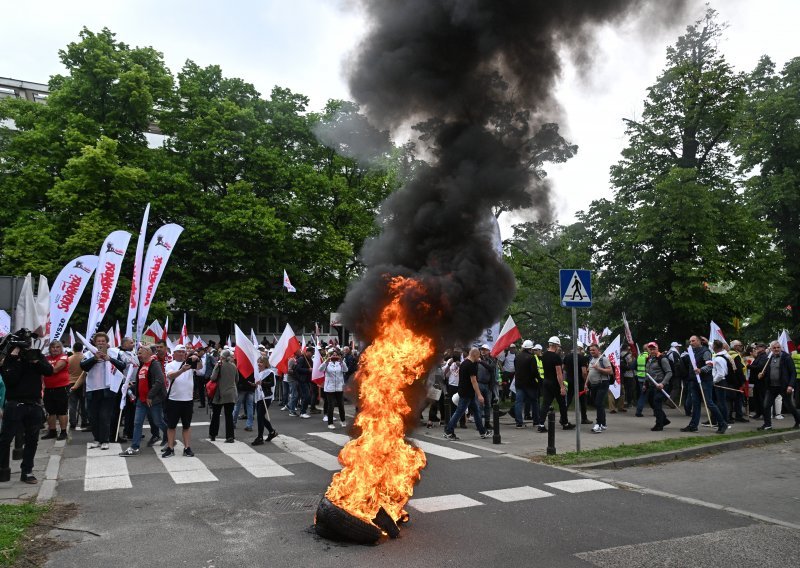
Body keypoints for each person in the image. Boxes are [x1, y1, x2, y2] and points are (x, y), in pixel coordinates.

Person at [0, 330, 54, 483]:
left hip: (34, 403)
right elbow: (11, 380)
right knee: (5, 439)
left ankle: (27, 471)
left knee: (32, 440)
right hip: (15, 404)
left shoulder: (35, 356)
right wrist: (14, 358)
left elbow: (49, 371)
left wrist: (35, 361)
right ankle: (2, 468)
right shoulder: (11, 359)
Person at [80, 332, 126, 450]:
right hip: (93, 389)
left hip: (108, 389)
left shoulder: (114, 353)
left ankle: (105, 440)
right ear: (95, 343)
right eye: (98, 341)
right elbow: (83, 366)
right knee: (93, 417)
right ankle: (97, 439)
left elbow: (122, 366)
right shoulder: (89, 353)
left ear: (107, 343)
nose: (101, 343)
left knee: (104, 416)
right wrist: (95, 359)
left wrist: (109, 359)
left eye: (103, 341)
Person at [119, 346, 167, 456]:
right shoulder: (142, 365)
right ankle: (134, 447)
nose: (138, 355)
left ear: (148, 353)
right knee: (137, 423)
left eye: (140, 353)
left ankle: (169, 436)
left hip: (152, 400)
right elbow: (142, 381)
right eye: (138, 353)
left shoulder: (154, 364)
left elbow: (160, 381)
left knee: (158, 421)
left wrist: (150, 396)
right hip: (141, 400)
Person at [680, 335, 728, 434]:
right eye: (690, 341)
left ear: (699, 341)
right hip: (694, 381)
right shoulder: (691, 352)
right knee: (696, 404)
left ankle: (722, 423)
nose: (691, 342)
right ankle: (693, 425)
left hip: (705, 381)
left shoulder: (705, 351)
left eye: (693, 341)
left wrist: (701, 370)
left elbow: (710, 365)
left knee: (709, 403)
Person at [162, 345, 204, 458]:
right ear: (174, 353)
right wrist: (182, 370)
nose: (181, 354)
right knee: (171, 426)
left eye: (183, 352)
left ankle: (187, 447)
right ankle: (170, 448)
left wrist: (198, 359)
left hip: (188, 400)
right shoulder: (170, 364)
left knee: (187, 425)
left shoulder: (190, 363)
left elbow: (200, 368)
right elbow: (170, 376)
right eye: (179, 352)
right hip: (174, 399)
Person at [442, 348, 492, 441]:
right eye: (478, 356)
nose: (479, 358)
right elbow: (474, 381)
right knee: (459, 412)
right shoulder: (471, 365)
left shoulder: (464, 363)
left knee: (476, 411)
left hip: (465, 391)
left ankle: (482, 431)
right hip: (467, 393)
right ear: (474, 355)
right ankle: (448, 431)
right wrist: (479, 395)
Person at [757, 341, 800, 430]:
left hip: (784, 386)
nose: (776, 349)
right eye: (774, 348)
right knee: (766, 405)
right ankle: (767, 425)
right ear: (771, 349)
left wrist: (790, 385)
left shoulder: (786, 358)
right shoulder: (769, 358)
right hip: (771, 386)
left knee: (789, 406)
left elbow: (793, 372)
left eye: (778, 347)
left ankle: (798, 421)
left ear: (780, 348)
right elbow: (767, 371)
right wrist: (762, 374)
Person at [537, 337, 575, 432]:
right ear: (556, 345)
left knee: (545, 404)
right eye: (558, 346)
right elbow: (559, 373)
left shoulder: (544, 355)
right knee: (562, 403)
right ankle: (565, 423)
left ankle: (541, 425)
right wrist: (562, 387)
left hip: (546, 381)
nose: (559, 347)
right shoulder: (556, 357)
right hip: (555, 383)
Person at [42, 340, 70, 440]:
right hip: (48, 389)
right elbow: (42, 373)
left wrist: (43, 367)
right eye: (53, 347)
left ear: (61, 348)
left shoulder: (63, 357)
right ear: (49, 349)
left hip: (61, 388)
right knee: (50, 412)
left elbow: (55, 369)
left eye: (58, 347)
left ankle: (63, 432)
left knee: (62, 411)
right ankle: (52, 431)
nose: (55, 349)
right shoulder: (46, 358)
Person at [209, 349, 237, 442]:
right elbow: (237, 380)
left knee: (216, 414)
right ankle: (230, 436)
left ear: (222, 357)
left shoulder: (219, 365)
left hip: (219, 393)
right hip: (231, 393)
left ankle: (213, 434)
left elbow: (213, 378)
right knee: (229, 415)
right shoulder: (234, 366)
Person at [644, 342, 673, 431]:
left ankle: (659, 424)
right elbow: (648, 373)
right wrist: (645, 384)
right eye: (650, 349)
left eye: (654, 349)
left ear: (657, 348)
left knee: (657, 403)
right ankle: (664, 420)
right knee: (652, 403)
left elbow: (669, 372)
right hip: (652, 385)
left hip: (661, 385)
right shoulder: (648, 359)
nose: (652, 351)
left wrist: (663, 383)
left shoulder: (662, 359)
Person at [513, 340, 540, 429]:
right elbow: (534, 372)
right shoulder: (531, 357)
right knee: (534, 402)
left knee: (519, 403)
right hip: (530, 384)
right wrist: (539, 380)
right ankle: (536, 421)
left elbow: (516, 369)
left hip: (519, 383)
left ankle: (519, 423)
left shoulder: (517, 357)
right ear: (530, 349)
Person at [586, 343, 613, 433]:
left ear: (598, 350)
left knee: (598, 403)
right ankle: (603, 424)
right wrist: (586, 384)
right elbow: (589, 372)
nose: (592, 352)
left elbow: (610, 371)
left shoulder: (603, 359)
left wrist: (599, 369)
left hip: (602, 383)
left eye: (593, 350)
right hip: (593, 385)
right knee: (598, 404)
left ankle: (598, 424)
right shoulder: (591, 359)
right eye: (590, 350)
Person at [319, 348, 348, 429]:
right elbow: (320, 370)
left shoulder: (340, 363)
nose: (334, 357)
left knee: (341, 405)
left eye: (336, 355)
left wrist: (342, 362)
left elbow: (346, 370)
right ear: (330, 356)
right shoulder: (327, 363)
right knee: (331, 406)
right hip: (329, 388)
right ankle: (330, 423)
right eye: (333, 355)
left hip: (339, 387)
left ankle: (343, 421)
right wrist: (326, 362)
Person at [252, 357, 278, 445]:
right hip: (259, 396)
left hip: (266, 396)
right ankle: (271, 431)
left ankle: (260, 437)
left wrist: (262, 383)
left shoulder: (270, 372)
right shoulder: (258, 372)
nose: (259, 364)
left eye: (261, 362)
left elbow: (272, 383)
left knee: (260, 416)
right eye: (258, 362)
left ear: (265, 363)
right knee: (260, 416)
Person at [232, 360, 255, 432]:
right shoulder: (253, 366)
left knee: (237, 406)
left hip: (241, 388)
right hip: (250, 388)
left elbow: (236, 378)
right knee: (250, 406)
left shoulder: (240, 366)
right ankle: (249, 425)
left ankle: (233, 422)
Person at [748, 343, 768, 419]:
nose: (756, 348)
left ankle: (763, 413)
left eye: (758, 347)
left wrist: (748, 366)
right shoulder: (759, 356)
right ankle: (758, 413)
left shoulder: (764, 357)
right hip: (756, 381)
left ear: (763, 348)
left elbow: (760, 367)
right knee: (756, 397)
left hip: (761, 381)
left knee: (761, 398)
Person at [294, 346, 314, 419]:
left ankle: (303, 411)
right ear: (307, 351)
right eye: (311, 352)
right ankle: (303, 412)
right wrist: (308, 370)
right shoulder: (302, 359)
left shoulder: (310, 360)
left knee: (306, 396)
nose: (312, 354)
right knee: (307, 396)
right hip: (302, 380)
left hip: (307, 380)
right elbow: (298, 369)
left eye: (313, 353)